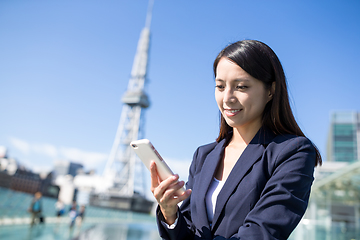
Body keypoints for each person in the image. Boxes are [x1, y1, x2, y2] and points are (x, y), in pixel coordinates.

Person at [150, 40, 322, 240]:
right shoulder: (203, 155)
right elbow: (189, 232)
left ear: (270, 90)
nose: (227, 98)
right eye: (220, 86)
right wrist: (170, 213)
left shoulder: (293, 152)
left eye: (241, 86)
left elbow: (262, 233)